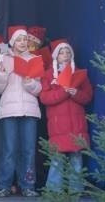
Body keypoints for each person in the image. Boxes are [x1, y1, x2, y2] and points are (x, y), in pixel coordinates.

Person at [0, 26, 42, 197]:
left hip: (29, 110)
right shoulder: (4, 59)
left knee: (28, 150)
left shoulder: (35, 59)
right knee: (9, 149)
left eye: (25, 40)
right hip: (9, 110)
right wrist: (2, 74)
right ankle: (4, 186)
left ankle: (28, 185)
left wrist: (29, 83)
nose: (22, 43)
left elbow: (38, 89)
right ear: (12, 43)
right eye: (19, 40)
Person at [40, 39, 92, 193]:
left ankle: (76, 191)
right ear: (56, 56)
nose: (65, 55)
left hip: (77, 124)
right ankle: (54, 192)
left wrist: (76, 93)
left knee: (76, 157)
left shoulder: (79, 74)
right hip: (58, 125)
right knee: (57, 159)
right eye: (62, 53)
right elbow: (45, 98)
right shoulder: (49, 74)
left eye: (68, 52)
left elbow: (88, 96)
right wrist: (63, 92)